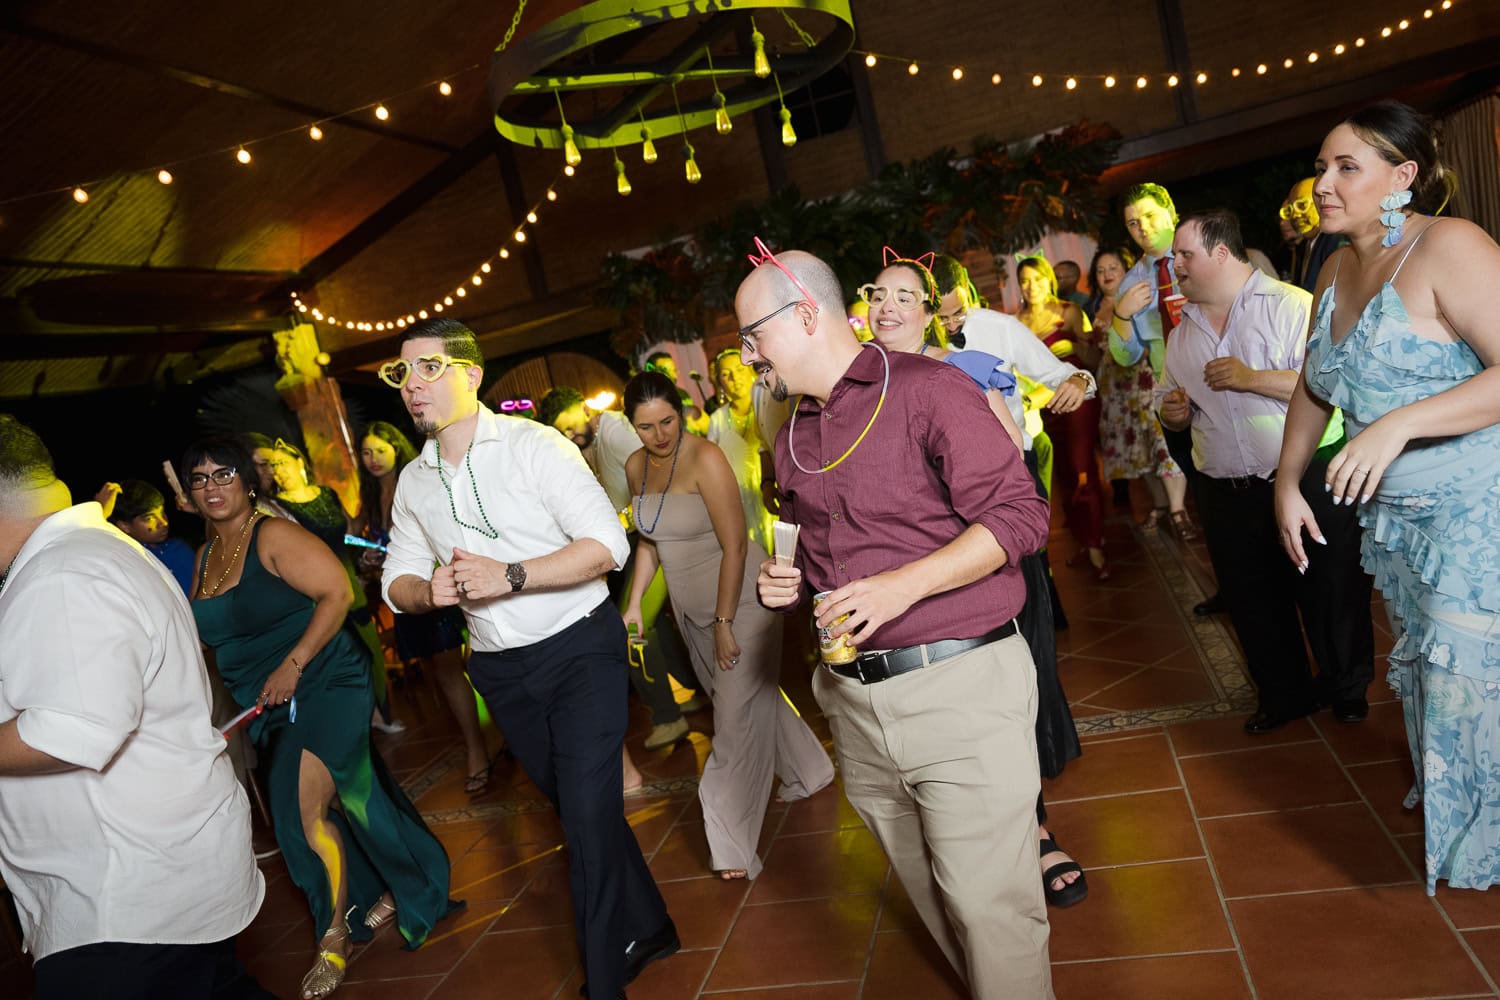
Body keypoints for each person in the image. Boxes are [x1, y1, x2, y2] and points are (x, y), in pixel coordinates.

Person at [741, 244, 1055, 998]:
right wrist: (786, 581)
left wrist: (900, 588)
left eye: (754, 335)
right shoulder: (787, 436)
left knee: (991, 911)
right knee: (938, 902)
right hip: (853, 701)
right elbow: (830, 559)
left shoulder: (928, 389)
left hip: (961, 687)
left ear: (807, 314)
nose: (746, 354)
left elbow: (1021, 515)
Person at [380, 319, 678, 998]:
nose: (413, 387)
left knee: (582, 815)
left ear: (471, 373)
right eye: (403, 375)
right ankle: (653, 926)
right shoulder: (414, 481)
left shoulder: (533, 445)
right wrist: (428, 590)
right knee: (585, 809)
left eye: (428, 368)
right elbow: (395, 585)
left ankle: (604, 980)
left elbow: (608, 544)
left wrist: (509, 574)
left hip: (579, 651)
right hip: (499, 672)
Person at [1275, 100, 1500, 892]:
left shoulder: (1452, 246)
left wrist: (1398, 424)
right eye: (1320, 166)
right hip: (1397, 527)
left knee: (1469, 682)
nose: (1323, 184)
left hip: (1479, 513)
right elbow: (1315, 383)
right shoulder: (1333, 268)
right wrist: (1286, 479)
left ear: (1403, 177)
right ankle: (1465, 823)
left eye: (1346, 167)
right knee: (1430, 679)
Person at [0, 416, 269, 1000]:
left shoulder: (63, 574)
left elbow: (67, 734)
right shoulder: (90, 549)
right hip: (157, 873)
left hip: (122, 895)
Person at [184, 435, 459, 999]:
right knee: (353, 796)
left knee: (297, 813)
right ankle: (397, 883)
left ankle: (333, 934)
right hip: (264, 703)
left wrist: (292, 664)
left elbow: (337, 593)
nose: (213, 486)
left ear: (247, 480)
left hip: (323, 679)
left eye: (223, 473)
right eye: (200, 478)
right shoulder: (205, 556)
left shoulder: (274, 534)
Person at [864, 250, 1087, 908]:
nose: (889, 306)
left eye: (906, 296)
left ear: (933, 313)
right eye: (878, 294)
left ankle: (1036, 830)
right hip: (903, 583)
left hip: (981, 564)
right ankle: (965, 838)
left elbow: (1008, 479)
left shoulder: (971, 372)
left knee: (1008, 706)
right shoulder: (853, 391)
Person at [1157, 209, 1372, 736]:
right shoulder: (1182, 331)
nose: (1175, 264)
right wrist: (1173, 413)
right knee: (1252, 599)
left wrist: (1252, 378)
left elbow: (1330, 383)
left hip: (1305, 476)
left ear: (1222, 254)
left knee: (1329, 587)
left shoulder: (1291, 305)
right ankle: (1283, 694)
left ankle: (1346, 688)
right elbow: (1165, 396)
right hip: (1227, 488)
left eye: (1185, 254)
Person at [622, 371, 833, 880]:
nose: (660, 435)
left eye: (668, 421)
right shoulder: (635, 467)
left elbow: (736, 544)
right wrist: (632, 605)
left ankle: (731, 843)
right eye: (646, 426)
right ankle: (811, 768)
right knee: (742, 699)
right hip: (691, 610)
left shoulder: (706, 459)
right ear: (632, 426)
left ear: (682, 412)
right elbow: (650, 540)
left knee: (733, 726)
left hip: (743, 601)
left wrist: (723, 621)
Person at [539, 385, 705, 753]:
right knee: (654, 623)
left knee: (630, 625)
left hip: (660, 539)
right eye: (561, 431)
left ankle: (667, 717)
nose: (569, 434)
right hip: (645, 539)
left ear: (583, 407)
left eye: (569, 424)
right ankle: (695, 690)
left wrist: (626, 517)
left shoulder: (613, 432)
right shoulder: (593, 441)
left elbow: (659, 473)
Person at [358, 421, 492, 792]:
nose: (373, 459)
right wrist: (369, 561)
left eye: (380, 450)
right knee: (442, 669)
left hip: (441, 582)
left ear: (397, 448)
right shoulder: (370, 498)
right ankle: (478, 744)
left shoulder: (419, 478)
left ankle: (482, 747)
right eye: (366, 452)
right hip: (407, 592)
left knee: (463, 662)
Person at [270, 438, 400, 732]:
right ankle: (362, 719)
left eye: (283, 463)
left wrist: (366, 545)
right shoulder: (277, 510)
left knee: (371, 652)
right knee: (344, 654)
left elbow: (349, 532)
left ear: (299, 462)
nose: (279, 471)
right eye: (273, 466)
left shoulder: (326, 494)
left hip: (348, 580)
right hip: (316, 590)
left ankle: (380, 713)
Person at [1111, 182, 1203, 544]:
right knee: (1202, 491)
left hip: (1221, 383)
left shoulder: (1203, 257)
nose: (1143, 228)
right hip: (1174, 400)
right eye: (1133, 223)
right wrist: (1121, 314)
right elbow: (1126, 356)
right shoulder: (1132, 282)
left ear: (1170, 211)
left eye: (1149, 216)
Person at [1016, 255, 1109, 579]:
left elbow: (1093, 359)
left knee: (1083, 470)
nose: (1032, 287)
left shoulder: (1069, 312)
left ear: (1049, 280)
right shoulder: (1016, 323)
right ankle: (1083, 540)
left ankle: (1097, 545)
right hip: (1043, 408)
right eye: (1025, 281)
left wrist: (1073, 344)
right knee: (1064, 477)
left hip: (1076, 401)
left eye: (1038, 279)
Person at [1087, 248, 1190, 532]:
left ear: (1127, 271)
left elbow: (1154, 332)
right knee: (1138, 448)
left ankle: (1179, 509)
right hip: (1115, 389)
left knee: (1161, 443)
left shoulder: (1140, 295)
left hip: (1143, 378)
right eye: (1100, 270)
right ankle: (1159, 505)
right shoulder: (1096, 308)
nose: (1107, 275)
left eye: (1113, 268)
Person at [706, 348, 778, 555]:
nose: (734, 378)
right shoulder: (717, 419)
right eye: (726, 374)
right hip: (738, 500)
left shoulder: (767, 405)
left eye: (738, 369)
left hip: (769, 488)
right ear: (719, 382)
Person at [94, 478, 196, 594]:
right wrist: (98, 515)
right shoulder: (125, 562)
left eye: (162, 512)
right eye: (149, 518)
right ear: (125, 526)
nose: (163, 522)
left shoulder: (180, 549)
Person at [1282, 176, 1346, 292]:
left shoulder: (1335, 242)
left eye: (1302, 206)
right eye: (1290, 210)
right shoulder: (1302, 247)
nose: (1295, 215)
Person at [643, 351, 709, 435]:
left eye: (673, 370)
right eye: (665, 370)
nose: (671, 375)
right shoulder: (648, 400)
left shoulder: (682, 393)